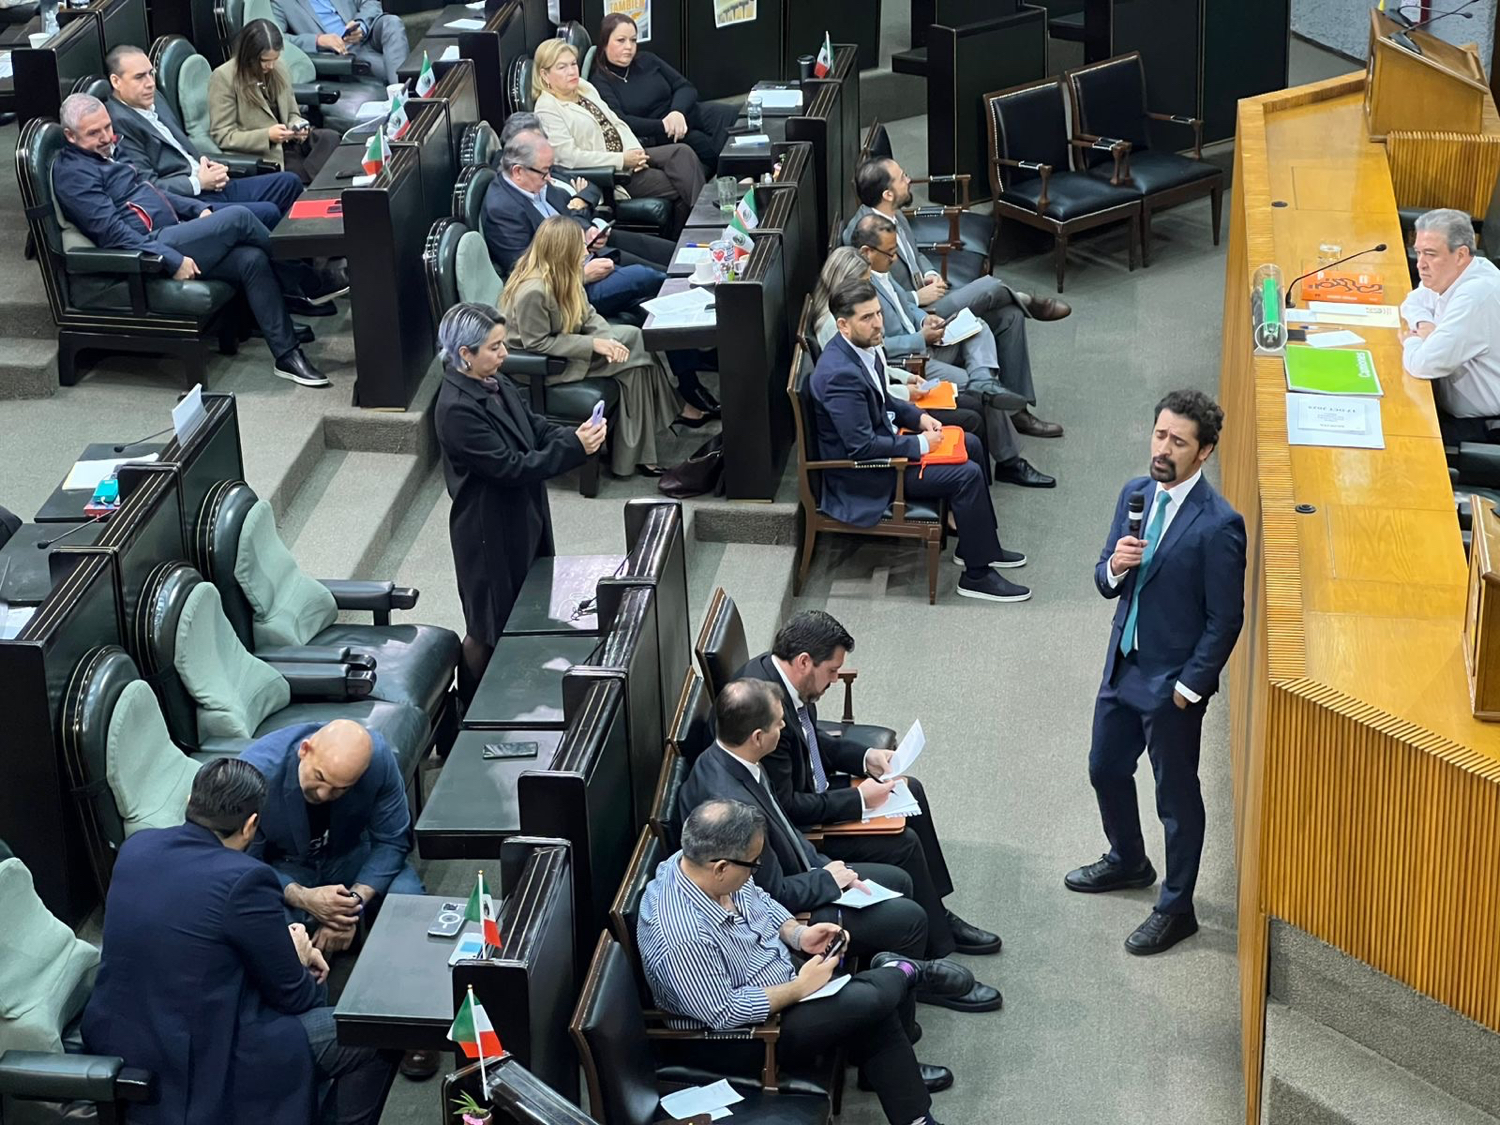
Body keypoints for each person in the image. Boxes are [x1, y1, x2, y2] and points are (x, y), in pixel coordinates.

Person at [80, 758, 395, 1125]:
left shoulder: (136, 847)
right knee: (372, 1034)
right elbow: (296, 997)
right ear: (250, 825)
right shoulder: (246, 879)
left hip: (118, 1034)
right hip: (202, 1059)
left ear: (189, 801)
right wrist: (299, 955)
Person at [680, 680, 1001, 1014]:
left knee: (901, 881)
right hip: (792, 906)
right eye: (778, 724)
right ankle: (916, 990)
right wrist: (827, 880)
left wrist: (827, 865)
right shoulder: (733, 805)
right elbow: (769, 892)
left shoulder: (734, 760)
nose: (784, 727)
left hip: (806, 870)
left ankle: (920, 961)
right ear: (758, 737)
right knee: (909, 919)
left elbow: (786, 831)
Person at [639, 799, 956, 1125]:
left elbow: (761, 901)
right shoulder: (680, 937)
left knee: (873, 1010)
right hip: (740, 1037)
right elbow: (725, 1011)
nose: (755, 870)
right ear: (720, 868)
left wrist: (797, 934)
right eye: (752, 865)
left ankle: (917, 1120)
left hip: (780, 980)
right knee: (866, 1000)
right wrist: (800, 987)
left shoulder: (701, 864)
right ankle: (905, 971)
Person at [1065, 389, 1246, 955]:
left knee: (1176, 797)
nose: (1163, 448)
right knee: (1104, 768)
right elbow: (1104, 575)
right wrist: (1114, 566)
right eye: (1159, 434)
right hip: (1123, 665)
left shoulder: (1220, 525)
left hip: (1172, 686)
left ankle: (1177, 908)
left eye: (1179, 441)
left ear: (1205, 452)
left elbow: (1226, 619)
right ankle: (1127, 859)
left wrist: (1191, 689)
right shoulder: (1135, 494)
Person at [739, 610, 1005, 964]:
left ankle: (937, 912)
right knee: (904, 844)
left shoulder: (787, 681)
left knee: (912, 790)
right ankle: (935, 948)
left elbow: (812, 741)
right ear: (804, 662)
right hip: (805, 826)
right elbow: (788, 807)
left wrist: (866, 757)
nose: (835, 679)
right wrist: (859, 800)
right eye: (832, 671)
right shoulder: (766, 712)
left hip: (816, 789)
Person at [53, 93, 330, 387]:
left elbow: (154, 193)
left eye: (107, 127)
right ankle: (311, 283)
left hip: (173, 230)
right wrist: (171, 259)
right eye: (93, 133)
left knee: (252, 259)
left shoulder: (108, 152)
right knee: (239, 218)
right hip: (149, 249)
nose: (106, 136)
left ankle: (286, 354)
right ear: (70, 135)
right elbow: (112, 233)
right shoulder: (74, 174)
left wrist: (198, 209)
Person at [813, 280, 1032, 603]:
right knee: (966, 475)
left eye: (878, 313)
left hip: (888, 445)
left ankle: (980, 546)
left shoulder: (863, 347)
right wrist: (921, 445)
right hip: (869, 472)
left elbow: (883, 398)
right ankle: (977, 575)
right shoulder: (838, 375)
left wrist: (916, 417)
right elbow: (862, 448)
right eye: (867, 318)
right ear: (843, 325)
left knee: (970, 444)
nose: (877, 323)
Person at [432, 302, 605, 700]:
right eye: (494, 347)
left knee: (527, 608)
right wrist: (575, 448)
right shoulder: (456, 409)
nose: (504, 353)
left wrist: (573, 436)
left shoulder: (493, 380)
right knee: (488, 630)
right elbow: (510, 466)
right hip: (487, 531)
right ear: (465, 354)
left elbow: (533, 426)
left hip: (522, 514)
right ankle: (468, 709)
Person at [846, 156, 1065, 439]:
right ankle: (1027, 301)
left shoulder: (893, 213)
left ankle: (1018, 411)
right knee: (990, 286)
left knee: (1009, 316)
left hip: (925, 310)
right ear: (887, 193)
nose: (909, 179)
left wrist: (929, 274)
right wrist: (917, 295)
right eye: (902, 178)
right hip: (917, 312)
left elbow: (918, 254)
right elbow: (874, 295)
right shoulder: (862, 235)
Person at [852, 214, 1053, 488]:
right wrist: (919, 337)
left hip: (926, 342)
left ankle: (984, 377)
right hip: (910, 362)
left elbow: (906, 304)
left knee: (978, 325)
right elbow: (877, 347)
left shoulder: (880, 272)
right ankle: (1009, 463)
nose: (895, 259)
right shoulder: (859, 291)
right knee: (980, 392)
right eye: (889, 253)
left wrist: (924, 320)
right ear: (866, 252)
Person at [501, 216, 684, 476]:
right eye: (580, 247)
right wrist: (593, 344)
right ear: (563, 251)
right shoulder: (533, 290)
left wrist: (607, 339)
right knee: (636, 354)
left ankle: (638, 456)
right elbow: (537, 343)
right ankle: (667, 422)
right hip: (544, 366)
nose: (586, 253)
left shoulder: (565, 273)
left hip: (568, 344)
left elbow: (588, 314)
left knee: (634, 346)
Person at [239, 719, 424, 953]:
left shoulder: (377, 759)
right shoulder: (255, 775)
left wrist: (350, 907)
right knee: (272, 930)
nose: (325, 794)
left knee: (410, 900)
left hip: (349, 853)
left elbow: (392, 840)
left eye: (341, 788)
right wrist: (304, 898)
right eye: (320, 777)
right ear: (304, 750)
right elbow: (243, 865)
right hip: (286, 866)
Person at [811, 248, 992, 481]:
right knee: (971, 424)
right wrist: (908, 396)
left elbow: (875, 366)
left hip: (892, 402)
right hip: (882, 440)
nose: (871, 288)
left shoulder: (861, 326)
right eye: (866, 282)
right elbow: (867, 397)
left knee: (974, 409)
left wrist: (906, 380)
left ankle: (972, 498)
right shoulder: (839, 335)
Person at [104, 45, 304, 229]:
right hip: (190, 201)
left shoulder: (153, 98)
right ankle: (291, 265)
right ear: (116, 81)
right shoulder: (118, 122)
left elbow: (182, 148)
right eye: (139, 77)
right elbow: (146, 185)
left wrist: (209, 164)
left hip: (210, 183)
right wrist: (199, 182)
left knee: (289, 183)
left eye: (151, 74)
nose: (149, 83)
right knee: (269, 211)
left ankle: (308, 250)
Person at [481, 129, 669, 320]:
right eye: (544, 172)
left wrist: (586, 230)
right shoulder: (502, 210)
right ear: (518, 171)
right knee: (648, 277)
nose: (549, 179)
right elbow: (523, 273)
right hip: (570, 289)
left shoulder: (535, 180)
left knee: (671, 254)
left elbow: (570, 212)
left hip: (590, 253)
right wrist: (581, 275)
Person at [531, 38, 704, 234]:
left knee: (681, 152)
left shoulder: (582, 87)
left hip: (627, 153)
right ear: (544, 74)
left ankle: (700, 229)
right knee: (682, 181)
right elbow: (569, 157)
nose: (572, 71)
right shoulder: (547, 108)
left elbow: (616, 122)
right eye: (562, 67)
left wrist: (633, 150)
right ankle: (705, 226)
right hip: (611, 172)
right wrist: (622, 160)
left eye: (573, 64)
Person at [1399, 207, 1500, 444]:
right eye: (1419, 253)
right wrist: (1425, 325)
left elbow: (1422, 364)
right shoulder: (1456, 272)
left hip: (1480, 428)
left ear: (1461, 255)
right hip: (1448, 405)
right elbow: (1412, 301)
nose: (1420, 264)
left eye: (1431, 254)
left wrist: (1412, 340)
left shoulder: (1476, 295)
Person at [589, 12, 736, 174]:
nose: (629, 47)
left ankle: (742, 174)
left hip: (681, 113)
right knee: (705, 144)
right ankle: (730, 179)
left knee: (728, 114)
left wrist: (677, 112)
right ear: (604, 43)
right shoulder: (600, 81)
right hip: (658, 131)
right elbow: (621, 120)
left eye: (633, 40)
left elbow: (685, 87)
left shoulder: (647, 60)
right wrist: (663, 125)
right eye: (621, 41)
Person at [209, 19, 341, 185]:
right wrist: (267, 136)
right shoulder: (224, 77)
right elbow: (224, 135)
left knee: (331, 138)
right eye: (264, 61)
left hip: (291, 141)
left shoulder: (279, 67)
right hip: (267, 152)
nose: (271, 65)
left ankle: (317, 181)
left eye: (275, 58)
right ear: (249, 56)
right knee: (310, 170)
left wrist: (298, 124)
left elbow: (293, 112)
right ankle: (318, 183)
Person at [270, 0, 409, 86]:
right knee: (392, 70)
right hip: (343, 52)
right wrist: (317, 40)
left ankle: (405, 93)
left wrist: (361, 25)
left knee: (392, 22)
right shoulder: (281, 2)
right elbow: (278, 40)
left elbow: (370, 2)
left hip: (366, 33)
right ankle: (405, 97)